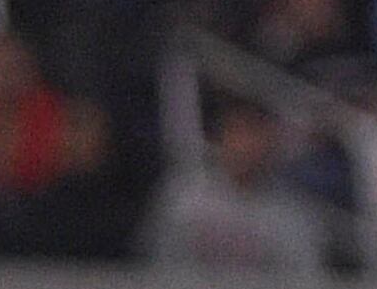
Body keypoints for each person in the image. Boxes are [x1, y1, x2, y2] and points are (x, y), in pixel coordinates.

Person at [139, 103, 331, 279]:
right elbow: (158, 262)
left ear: (271, 142)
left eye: (254, 133)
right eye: (236, 132)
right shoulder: (184, 195)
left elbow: (304, 283)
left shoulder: (292, 213)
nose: (244, 145)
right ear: (221, 139)